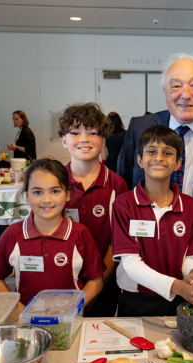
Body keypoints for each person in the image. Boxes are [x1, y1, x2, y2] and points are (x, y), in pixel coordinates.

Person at [116, 53, 193, 246]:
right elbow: (122, 184)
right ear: (165, 92)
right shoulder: (139, 128)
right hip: (142, 244)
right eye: (175, 86)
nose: (186, 94)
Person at [112, 125, 193, 317]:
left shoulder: (189, 206)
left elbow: (188, 259)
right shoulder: (124, 204)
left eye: (167, 153)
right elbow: (131, 264)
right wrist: (178, 286)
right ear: (140, 160)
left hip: (176, 301)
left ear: (178, 164)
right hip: (135, 300)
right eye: (151, 152)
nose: (159, 157)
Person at [0, 159, 106, 312]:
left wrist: (73, 310)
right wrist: (21, 312)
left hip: (71, 322)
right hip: (26, 323)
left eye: (55, 191)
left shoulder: (80, 234)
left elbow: (96, 280)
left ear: (67, 194)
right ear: (26, 196)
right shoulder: (13, 234)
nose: (46, 200)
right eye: (37, 192)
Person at [58, 103, 128, 317]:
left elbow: (117, 243)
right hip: (61, 282)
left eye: (92, 132)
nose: (84, 138)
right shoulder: (54, 183)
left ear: (103, 140)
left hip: (104, 284)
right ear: (64, 140)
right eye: (76, 132)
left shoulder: (117, 185)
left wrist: (97, 284)